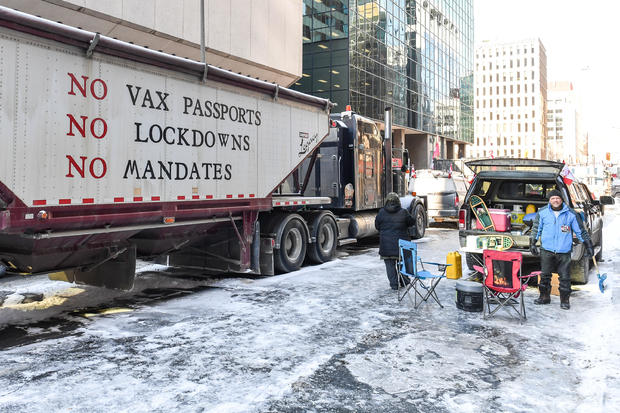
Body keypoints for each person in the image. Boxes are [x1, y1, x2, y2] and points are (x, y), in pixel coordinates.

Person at [530, 189, 594, 310]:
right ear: (549, 200)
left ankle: (565, 300)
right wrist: (533, 242)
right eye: (553, 198)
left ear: (562, 199)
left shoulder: (571, 214)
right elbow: (536, 228)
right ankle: (544, 297)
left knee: (565, 277)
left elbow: (580, 231)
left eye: (557, 198)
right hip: (547, 249)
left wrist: (588, 245)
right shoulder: (543, 212)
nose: (555, 200)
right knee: (545, 276)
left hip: (564, 251)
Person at [374, 192, 415, 290]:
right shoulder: (403, 212)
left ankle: (394, 285)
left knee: (390, 266)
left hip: (386, 246)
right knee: (402, 264)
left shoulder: (381, 212)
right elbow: (412, 222)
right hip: (401, 246)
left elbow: (377, 226)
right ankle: (404, 281)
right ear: (398, 202)